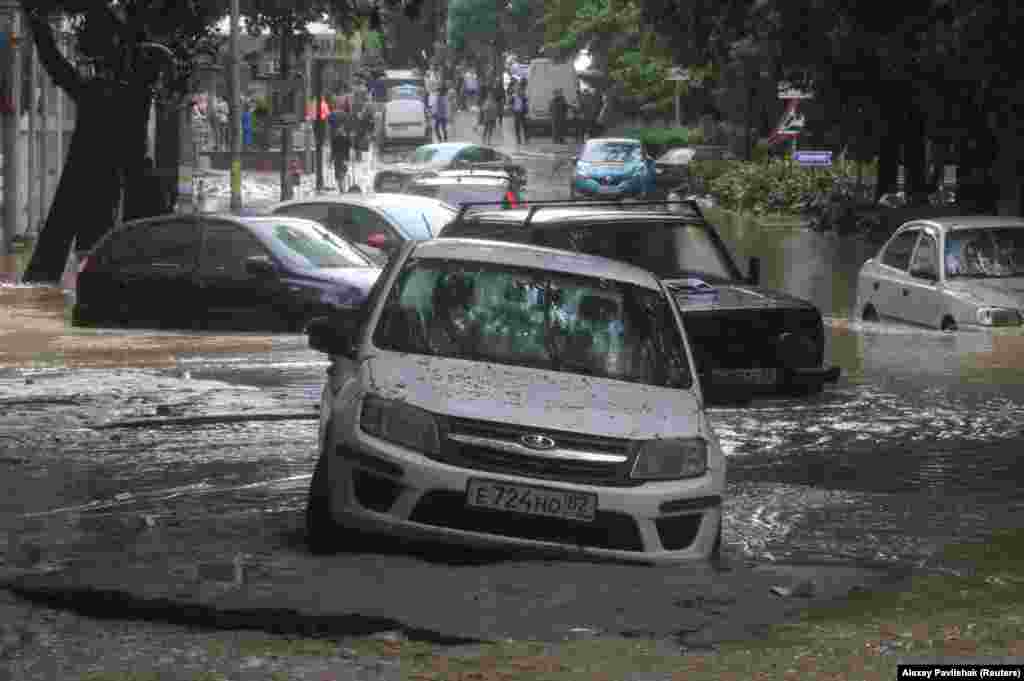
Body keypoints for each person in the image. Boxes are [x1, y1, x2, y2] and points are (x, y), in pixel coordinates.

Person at [330, 124, 351, 192]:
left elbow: (333, 150)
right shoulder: (346, 139)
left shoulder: (334, 139)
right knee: (343, 172)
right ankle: (342, 187)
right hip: (343, 158)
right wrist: (348, 159)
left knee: (339, 173)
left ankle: (341, 187)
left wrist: (331, 158)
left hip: (337, 158)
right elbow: (348, 149)